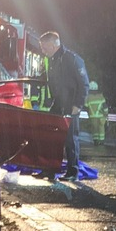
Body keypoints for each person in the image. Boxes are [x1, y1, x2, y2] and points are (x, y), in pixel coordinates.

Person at [39, 31, 89, 181]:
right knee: (50, 137)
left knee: (70, 139)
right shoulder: (52, 60)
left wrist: (78, 105)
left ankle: (72, 172)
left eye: (44, 47)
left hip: (71, 105)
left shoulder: (72, 59)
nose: (43, 51)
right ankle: (49, 170)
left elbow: (84, 84)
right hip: (58, 103)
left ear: (53, 45)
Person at [86, 80, 108, 146]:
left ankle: (95, 140)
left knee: (94, 128)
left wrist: (89, 113)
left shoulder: (88, 98)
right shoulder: (101, 96)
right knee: (101, 128)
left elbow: (86, 107)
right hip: (101, 116)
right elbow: (105, 107)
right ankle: (101, 141)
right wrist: (106, 114)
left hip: (92, 116)